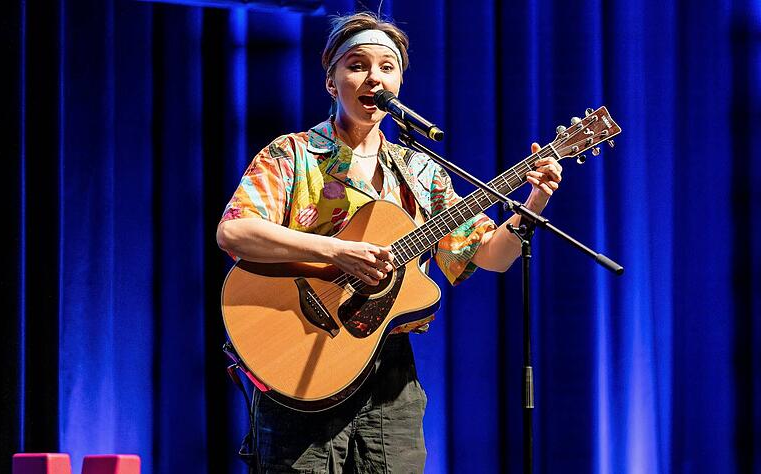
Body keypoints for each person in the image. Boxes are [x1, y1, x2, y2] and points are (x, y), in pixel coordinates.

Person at [216, 11, 563, 473]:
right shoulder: (292, 153)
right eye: (356, 65)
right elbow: (235, 232)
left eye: (386, 66)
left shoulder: (422, 172)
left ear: (399, 82)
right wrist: (337, 251)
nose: (372, 77)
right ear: (331, 81)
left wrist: (534, 199)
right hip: (298, 359)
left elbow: (490, 256)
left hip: (389, 376)